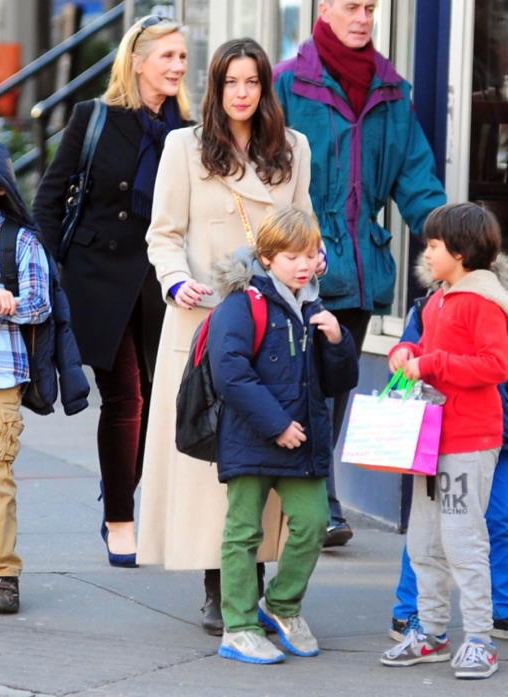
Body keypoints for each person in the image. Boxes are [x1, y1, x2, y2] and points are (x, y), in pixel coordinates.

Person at [137, 38, 314, 636]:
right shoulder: (183, 147)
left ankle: (259, 582)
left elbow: (303, 231)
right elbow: (164, 233)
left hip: (275, 325)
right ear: (214, 89)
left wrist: (312, 271)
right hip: (206, 319)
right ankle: (220, 582)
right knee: (216, 460)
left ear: (266, 87)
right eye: (229, 82)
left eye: (252, 82)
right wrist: (177, 280)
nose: (241, 93)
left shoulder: (293, 150)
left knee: (271, 452)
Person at [273, 0, 447, 548]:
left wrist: (455, 245)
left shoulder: (392, 91)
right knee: (303, 387)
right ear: (324, 8)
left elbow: (416, 181)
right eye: (353, 6)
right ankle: (317, 499)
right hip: (294, 266)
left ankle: (315, 492)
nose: (364, 17)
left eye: (371, 7)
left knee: (335, 386)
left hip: (359, 270)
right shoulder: (285, 84)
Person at [32, 16, 192, 568]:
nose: (176, 67)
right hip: (97, 278)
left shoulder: (191, 129)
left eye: (182, 58)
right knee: (127, 397)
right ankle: (121, 518)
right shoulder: (93, 118)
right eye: (167, 56)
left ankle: (118, 491)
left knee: (153, 399)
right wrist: (46, 276)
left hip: (160, 283)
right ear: (138, 60)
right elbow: (49, 199)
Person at [207, 206, 358, 664]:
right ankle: (238, 626)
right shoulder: (241, 302)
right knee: (243, 532)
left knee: (312, 523)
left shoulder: (314, 306)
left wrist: (338, 342)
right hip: (253, 438)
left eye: (310, 255)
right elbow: (229, 373)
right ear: (267, 258)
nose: (304, 265)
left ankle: (282, 605)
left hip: (301, 442)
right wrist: (276, 425)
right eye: (292, 256)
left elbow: (338, 383)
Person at [381, 202, 508, 680]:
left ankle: (479, 638)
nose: (426, 251)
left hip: (467, 440)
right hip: (432, 439)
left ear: (460, 250)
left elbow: (496, 365)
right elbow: (434, 349)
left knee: (462, 541)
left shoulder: (482, 300)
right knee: (425, 542)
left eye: (433, 244)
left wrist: (429, 364)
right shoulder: (440, 298)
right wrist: (406, 350)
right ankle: (431, 632)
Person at [0, 144, 51, 612]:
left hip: (2, 377)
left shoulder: (19, 241)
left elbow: (39, 303)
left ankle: (3, 573)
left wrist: (8, 302)